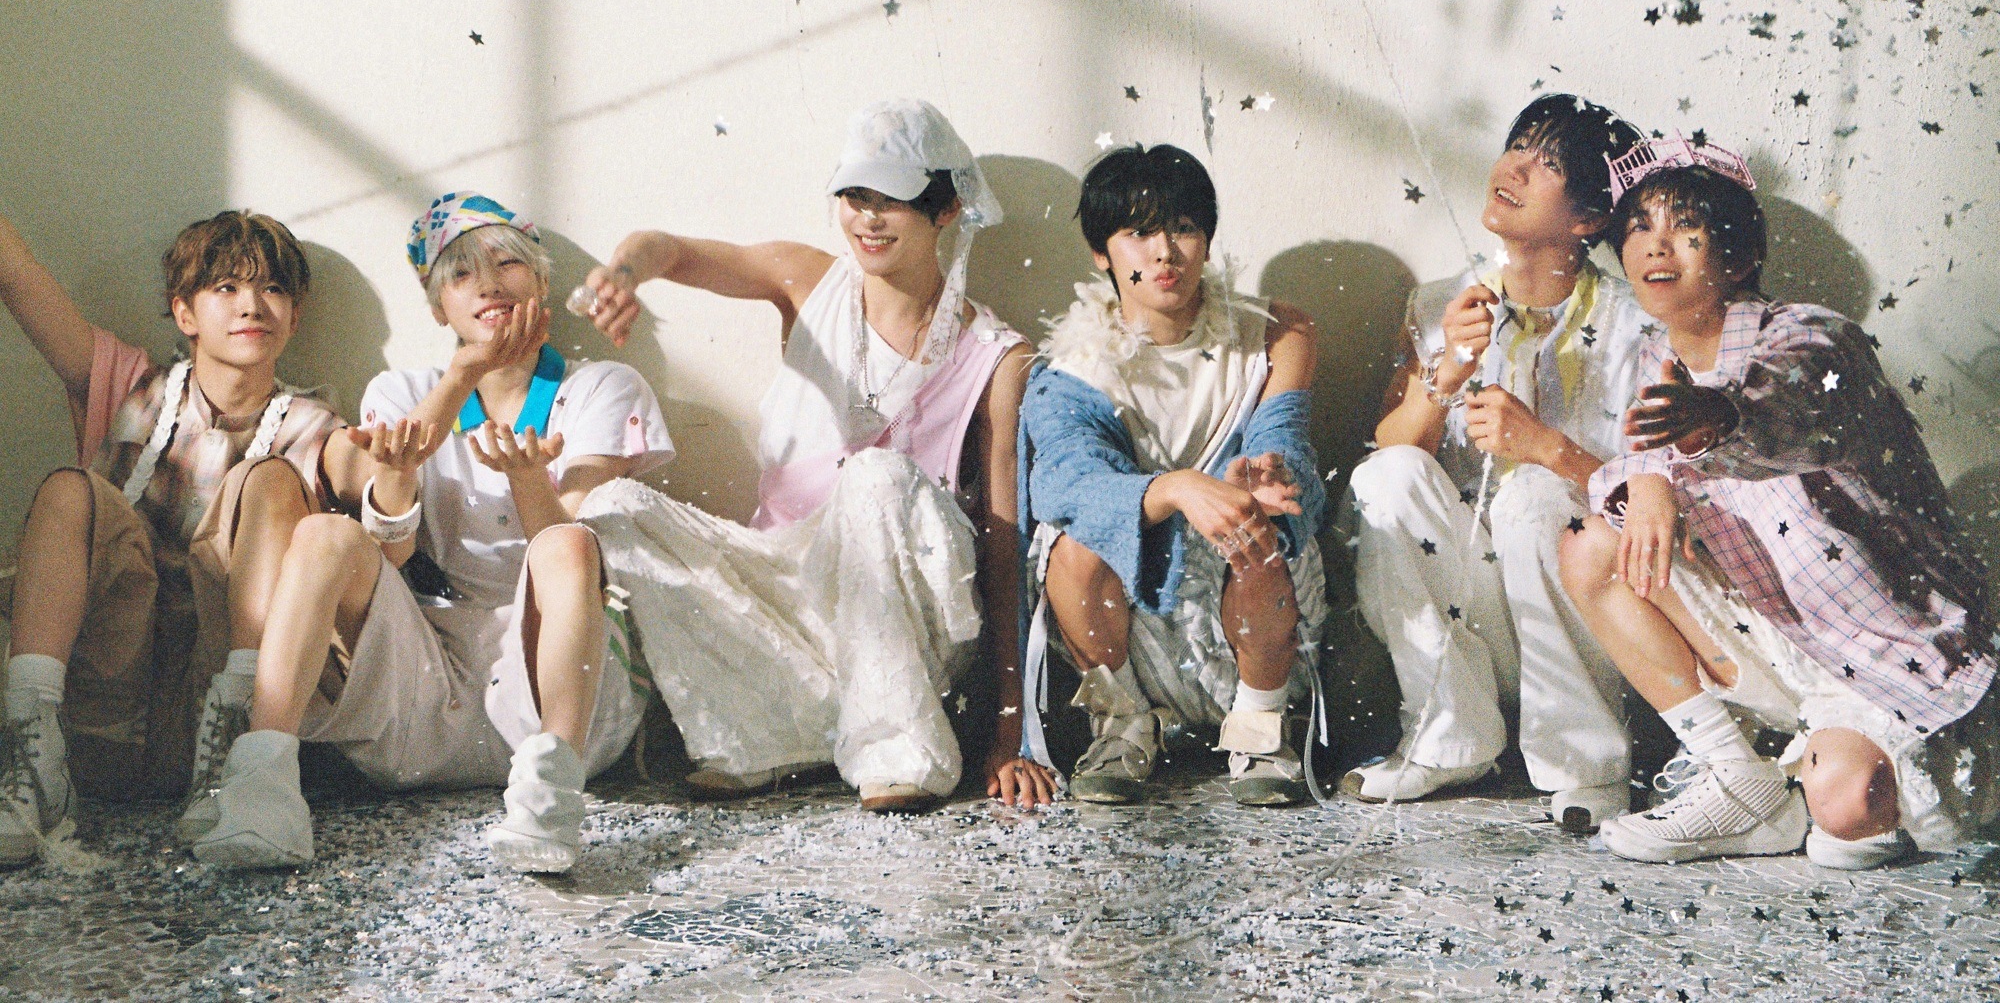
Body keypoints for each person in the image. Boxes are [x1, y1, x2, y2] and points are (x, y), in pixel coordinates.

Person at [574, 99, 1056, 814]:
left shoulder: (994, 356)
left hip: (914, 621)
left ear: (947, 208)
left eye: (892, 200)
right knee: (613, 506)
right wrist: (622, 274)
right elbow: (666, 248)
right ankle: (771, 736)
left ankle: (899, 748)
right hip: (786, 592)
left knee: (875, 473)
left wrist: (1013, 732)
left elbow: (1003, 545)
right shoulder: (807, 281)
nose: (868, 219)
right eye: (855, 196)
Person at [188, 193, 675, 872]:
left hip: (557, 691)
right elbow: (392, 553)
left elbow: (578, 550)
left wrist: (528, 480)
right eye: (461, 273)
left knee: (566, 543)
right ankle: (262, 785)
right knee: (326, 534)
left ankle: (552, 798)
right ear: (437, 305)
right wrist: (462, 376)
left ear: (540, 282)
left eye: (508, 263)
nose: (489, 284)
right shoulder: (401, 393)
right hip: (425, 688)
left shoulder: (603, 387)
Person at [1561, 140, 1997, 867]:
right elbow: (1637, 458)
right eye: (1638, 227)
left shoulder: (1812, 333)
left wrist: (1716, 418)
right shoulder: (1653, 357)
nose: (1655, 245)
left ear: (1738, 257)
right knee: (1590, 544)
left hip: (1884, 648)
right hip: (1779, 636)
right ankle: (1740, 779)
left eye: (1685, 227)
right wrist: (1650, 480)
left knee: (1848, 811)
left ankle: (1825, 773)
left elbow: (1794, 401)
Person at [0, 209, 349, 867]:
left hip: (218, 723)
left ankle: (242, 748)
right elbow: (17, 279)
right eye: (226, 287)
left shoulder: (314, 426)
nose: (252, 305)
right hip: (106, 710)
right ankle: (30, 757)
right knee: (68, 491)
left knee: (270, 482)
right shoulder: (132, 389)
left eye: (273, 288)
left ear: (295, 316)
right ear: (184, 312)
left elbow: (368, 486)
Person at [1341, 96, 1649, 833]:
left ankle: (1585, 762)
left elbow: (1654, 498)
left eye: (1548, 163)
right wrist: (1448, 369)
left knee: (1536, 494)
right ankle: (1450, 736)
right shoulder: (1439, 304)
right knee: (1385, 475)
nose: (1513, 168)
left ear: (1589, 218)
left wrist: (1546, 448)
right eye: (1517, 146)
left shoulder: (1635, 324)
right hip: (1472, 603)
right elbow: (1392, 449)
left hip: (1588, 617)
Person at [1018, 143, 1326, 807]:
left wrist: (1269, 474)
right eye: (1139, 232)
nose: (1165, 253)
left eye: (1183, 228)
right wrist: (1178, 487)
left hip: (1250, 612)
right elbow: (1066, 486)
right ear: (1101, 253)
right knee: (1072, 539)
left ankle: (1260, 730)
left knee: (1257, 524)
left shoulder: (1275, 335)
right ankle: (1121, 725)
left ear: (1207, 240)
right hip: (1128, 625)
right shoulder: (1069, 371)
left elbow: (1286, 445)